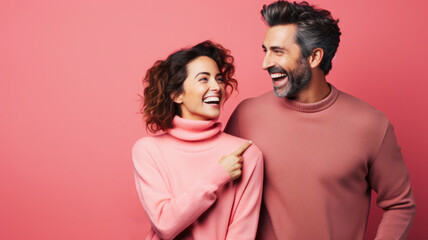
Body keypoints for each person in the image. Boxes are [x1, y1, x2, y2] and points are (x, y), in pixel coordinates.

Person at [225, 1, 416, 239]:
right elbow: (220, 192)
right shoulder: (247, 115)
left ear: (314, 57)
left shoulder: (371, 125)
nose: (265, 64)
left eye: (278, 51)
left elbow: (400, 205)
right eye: (266, 51)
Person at [132, 41, 263, 240]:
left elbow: (242, 234)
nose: (216, 87)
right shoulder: (149, 151)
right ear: (177, 94)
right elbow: (165, 225)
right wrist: (218, 176)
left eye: (219, 79)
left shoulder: (245, 154)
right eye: (204, 79)